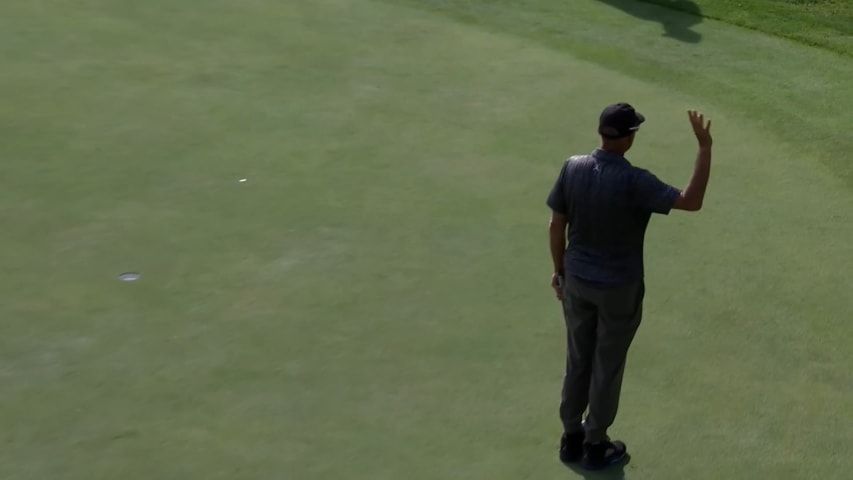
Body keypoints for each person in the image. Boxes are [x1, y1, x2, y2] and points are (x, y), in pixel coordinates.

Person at [545, 103, 713, 470]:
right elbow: (691, 201)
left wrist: (559, 272)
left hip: (576, 281)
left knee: (578, 357)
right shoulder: (635, 180)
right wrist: (704, 148)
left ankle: (570, 435)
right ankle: (595, 442)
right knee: (607, 363)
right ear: (628, 138)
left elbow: (557, 225)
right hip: (618, 288)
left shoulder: (572, 167)